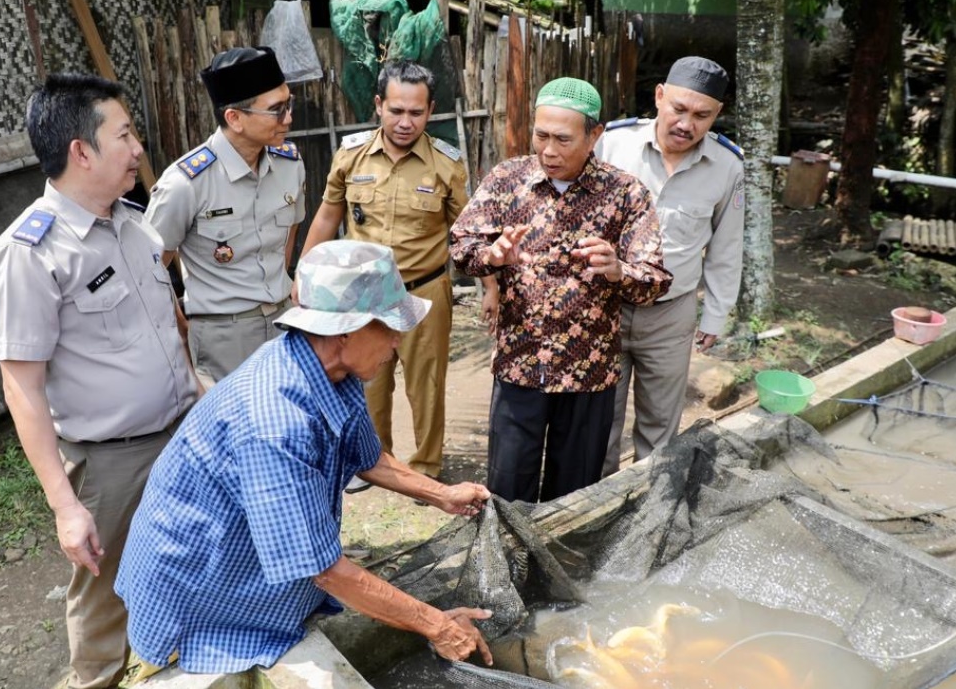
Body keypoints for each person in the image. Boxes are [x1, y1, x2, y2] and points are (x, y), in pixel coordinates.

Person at [115, 240, 494, 673]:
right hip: (198, 595)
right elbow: (322, 568)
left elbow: (367, 458)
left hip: (248, 566)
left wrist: (441, 494)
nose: (396, 341)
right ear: (345, 330)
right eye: (388, 327)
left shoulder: (333, 370)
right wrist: (437, 626)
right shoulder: (276, 423)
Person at [0, 73, 199, 689]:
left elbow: (165, 326)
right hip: (108, 464)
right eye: (123, 135)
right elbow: (21, 386)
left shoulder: (133, 222)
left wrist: (197, 390)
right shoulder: (31, 254)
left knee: (182, 566)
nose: (137, 148)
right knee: (104, 604)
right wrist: (64, 505)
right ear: (82, 151)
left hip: (179, 433)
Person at [449, 78, 672, 503]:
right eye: (541, 135)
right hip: (519, 367)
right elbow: (462, 246)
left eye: (563, 139)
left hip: (588, 374)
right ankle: (508, 568)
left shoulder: (625, 193)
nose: (549, 150)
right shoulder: (507, 180)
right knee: (507, 492)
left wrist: (617, 270)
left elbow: (654, 280)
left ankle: (563, 569)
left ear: (595, 135)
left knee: (574, 495)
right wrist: (491, 258)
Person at [300, 60, 492, 487]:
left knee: (426, 385)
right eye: (397, 111)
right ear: (378, 106)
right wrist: (303, 272)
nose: (406, 122)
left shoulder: (447, 165)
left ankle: (426, 467)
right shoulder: (350, 156)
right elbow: (328, 214)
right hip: (364, 297)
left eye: (416, 113)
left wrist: (489, 287)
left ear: (431, 110)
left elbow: (468, 235)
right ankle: (373, 462)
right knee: (366, 380)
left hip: (425, 291)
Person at [596, 56, 745, 470]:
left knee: (660, 425)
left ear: (717, 115)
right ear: (659, 96)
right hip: (603, 306)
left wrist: (715, 315)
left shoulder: (727, 167)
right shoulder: (611, 144)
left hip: (671, 314)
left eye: (702, 115)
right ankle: (595, 509)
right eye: (679, 108)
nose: (686, 124)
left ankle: (651, 509)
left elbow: (726, 248)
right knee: (599, 420)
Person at [146, 46, 306, 386]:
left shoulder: (290, 164)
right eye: (276, 110)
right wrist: (181, 328)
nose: (289, 117)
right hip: (223, 338)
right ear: (234, 118)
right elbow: (148, 269)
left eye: (288, 103)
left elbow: (288, 236)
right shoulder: (185, 184)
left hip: (284, 322)